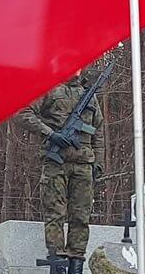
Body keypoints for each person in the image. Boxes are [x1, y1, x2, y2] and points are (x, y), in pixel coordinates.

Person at [19, 69, 100, 263]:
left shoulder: (89, 95)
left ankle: (77, 263)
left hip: (84, 164)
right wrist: (50, 133)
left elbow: (98, 132)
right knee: (55, 213)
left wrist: (98, 163)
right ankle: (58, 263)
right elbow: (22, 113)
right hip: (56, 162)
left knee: (81, 215)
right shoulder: (49, 89)